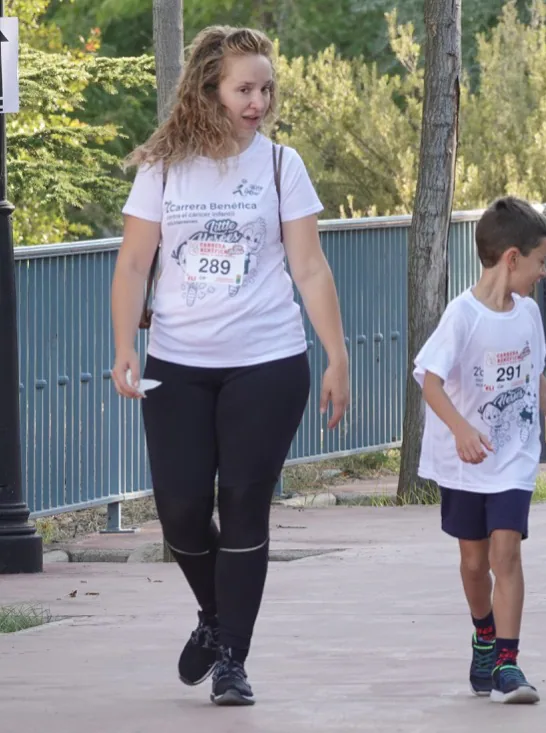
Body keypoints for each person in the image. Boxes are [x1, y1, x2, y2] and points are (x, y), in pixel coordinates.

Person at [109, 26, 350, 707]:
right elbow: (133, 262)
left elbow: (309, 265)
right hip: (177, 363)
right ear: (209, 88)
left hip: (268, 361)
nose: (258, 101)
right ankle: (217, 618)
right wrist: (125, 345)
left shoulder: (281, 166)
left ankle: (232, 661)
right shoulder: (164, 166)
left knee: (244, 503)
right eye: (245, 88)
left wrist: (336, 354)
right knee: (182, 509)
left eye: (266, 88)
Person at [411, 196, 546, 704]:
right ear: (512, 258)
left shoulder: (529, 316)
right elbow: (429, 381)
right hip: (466, 464)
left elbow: (535, 379)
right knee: (474, 564)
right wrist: (460, 430)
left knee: (506, 553)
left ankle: (508, 663)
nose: (544, 273)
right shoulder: (463, 315)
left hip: (514, 458)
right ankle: (484, 634)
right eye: (541, 262)